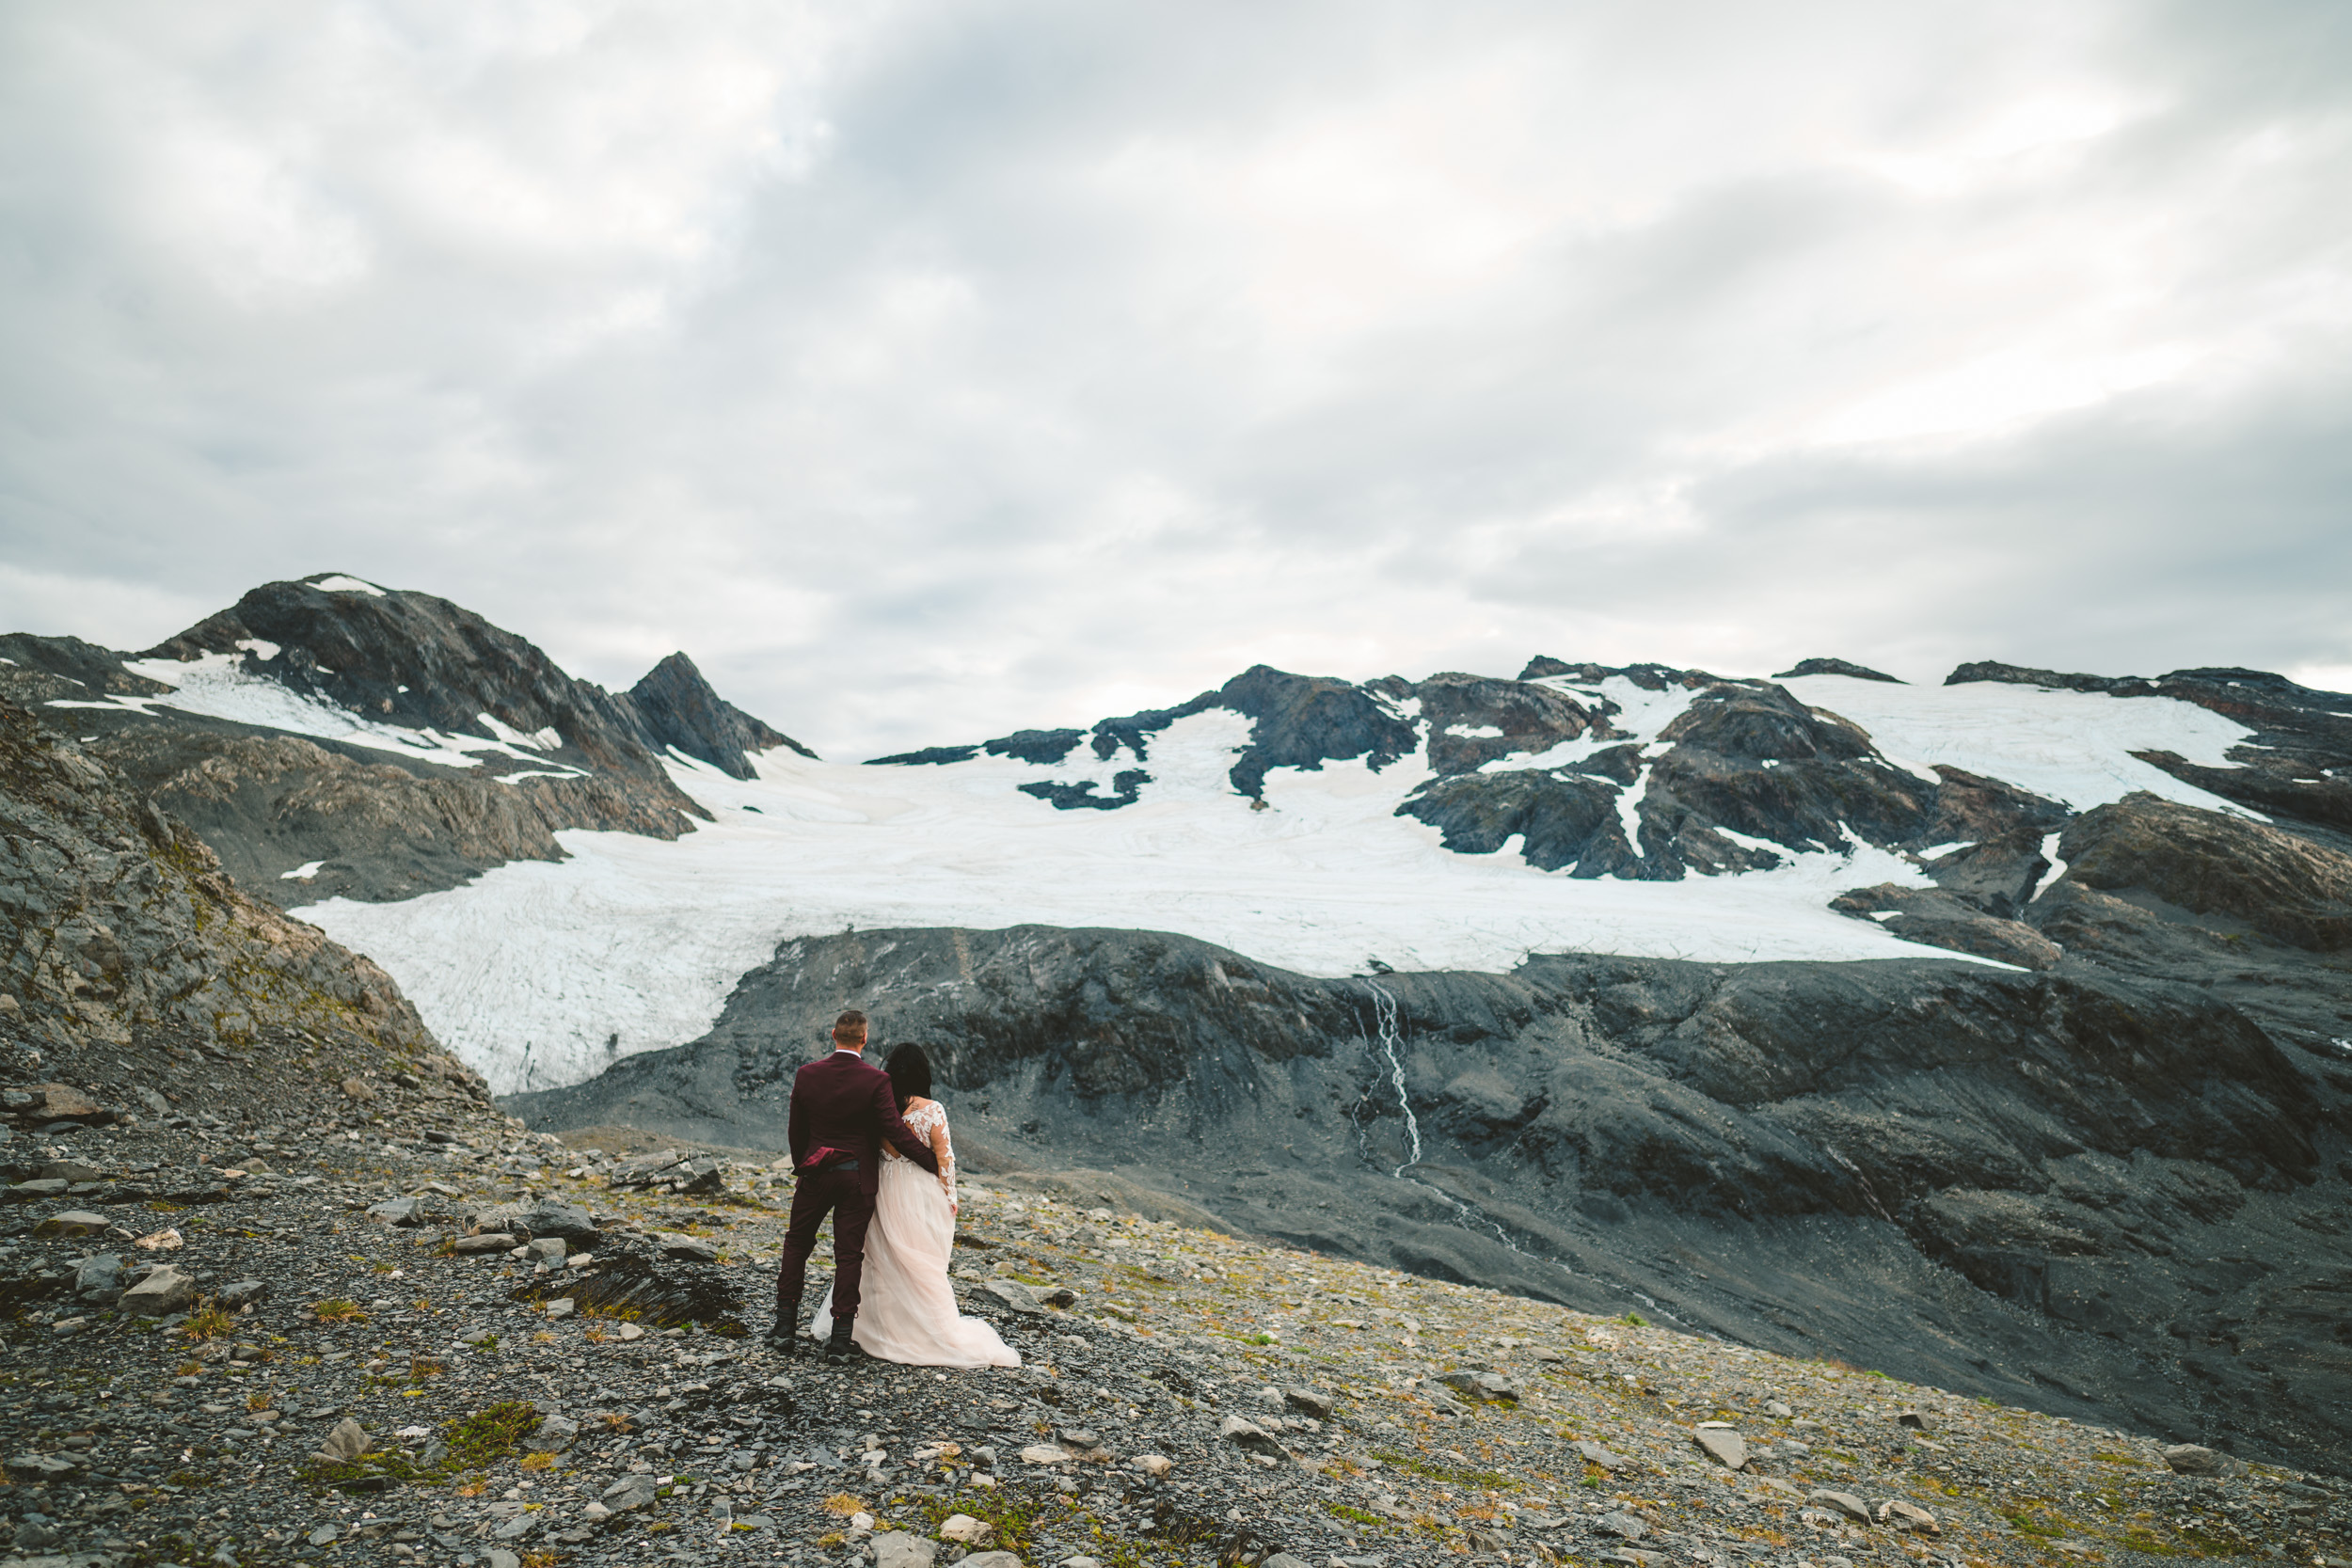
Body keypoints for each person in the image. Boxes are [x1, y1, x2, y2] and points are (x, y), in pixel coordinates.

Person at [811, 1043, 1020, 1368]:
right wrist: (950, 1197)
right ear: (923, 1074)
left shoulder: (881, 1107)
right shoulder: (933, 1110)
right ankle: (922, 1331)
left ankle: (873, 1328)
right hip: (920, 1194)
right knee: (921, 1260)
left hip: (882, 1190)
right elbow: (944, 1157)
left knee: (880, 1259)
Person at [771, 1009, 941, 1361]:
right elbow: (895, 1132)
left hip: (815, 1173)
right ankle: (839, 1340)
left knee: (797, 1244)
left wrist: (804, 1163)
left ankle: (784, 1329)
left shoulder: (806, 1074)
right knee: (849, 1256)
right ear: (865, 1039)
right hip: (856, 1178)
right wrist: (932, 1163)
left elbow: (796, 1130)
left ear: (833, 1034)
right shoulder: (876, 1081)